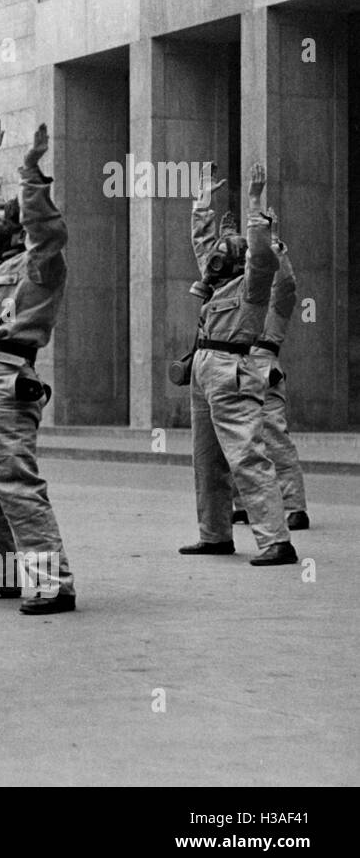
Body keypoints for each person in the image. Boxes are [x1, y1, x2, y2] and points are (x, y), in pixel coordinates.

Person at [0, 115, 74, 613]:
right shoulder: (2, 262)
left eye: (7, 220)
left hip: (5, 373)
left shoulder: (42, 263)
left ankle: (53, 583)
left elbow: (47, 229)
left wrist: (29, 172)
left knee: (15, 481)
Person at [179, 164, 296, 566]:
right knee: (206, 457)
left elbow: (261, 255)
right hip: (204, 367)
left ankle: (276, 540)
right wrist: (202, 202)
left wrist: (254, 202)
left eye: (228, 246)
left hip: (232, 368)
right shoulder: (214, 280)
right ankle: (214, 535)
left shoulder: (253, 284)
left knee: (246, 455)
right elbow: (201, 242)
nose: (217, 251)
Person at [232, 210, 309, 531]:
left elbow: (287, 284)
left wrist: (279, 250)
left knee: (275, 441)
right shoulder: (246, 296)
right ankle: (244, 504)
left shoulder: (276, 303)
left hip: (263, 369)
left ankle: (295, 507)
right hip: (239, 370)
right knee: (239, 442)